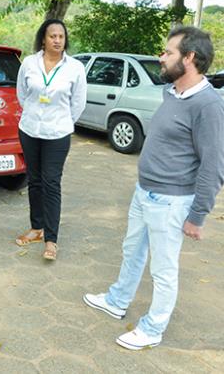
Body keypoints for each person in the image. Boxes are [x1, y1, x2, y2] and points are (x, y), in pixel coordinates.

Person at [84, 26, 224, 350]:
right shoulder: (171, 92)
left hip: (171, 202)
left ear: (189, 58)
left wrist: (197, 215)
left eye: (168, 52)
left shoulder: (208, 106)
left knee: (163, 270)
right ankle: (117, 300)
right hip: (144, 192)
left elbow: (214, 166)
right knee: (131, 251)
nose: (161, 57)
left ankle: (153, 328)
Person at [14, 19, 87, 260]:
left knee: (51, 183)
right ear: (43, 38)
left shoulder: (74, 68)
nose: (57, 40)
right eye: (52, 36)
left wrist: (62, 121)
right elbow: (22, 95)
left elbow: (78, 103)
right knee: (34, 181)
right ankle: (36, 229)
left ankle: (51, 240)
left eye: (61, 37)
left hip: (57, 133)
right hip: (30, 130)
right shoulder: (29, 63)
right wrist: (35, 115)